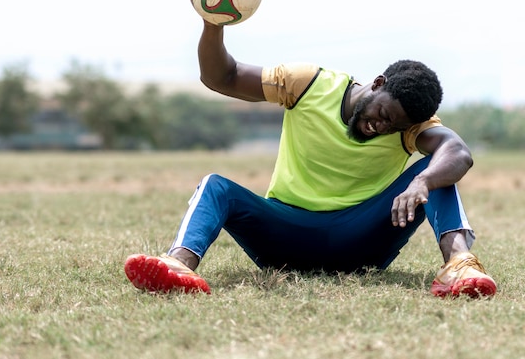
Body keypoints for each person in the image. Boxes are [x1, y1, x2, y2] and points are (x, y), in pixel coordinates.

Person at [124, 20, 497, 298]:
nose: (381, 127)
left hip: (360, 242)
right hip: (284, 234)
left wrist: (424, 180)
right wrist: (213, 24)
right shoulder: (307, 84)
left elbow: (458, 153)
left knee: (437, 174)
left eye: (393, 126)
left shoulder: (411, 125)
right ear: (379, 83)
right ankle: (178, 267)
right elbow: (222, 76)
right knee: (216, 186)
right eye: (384, 113)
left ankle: (459, 268)